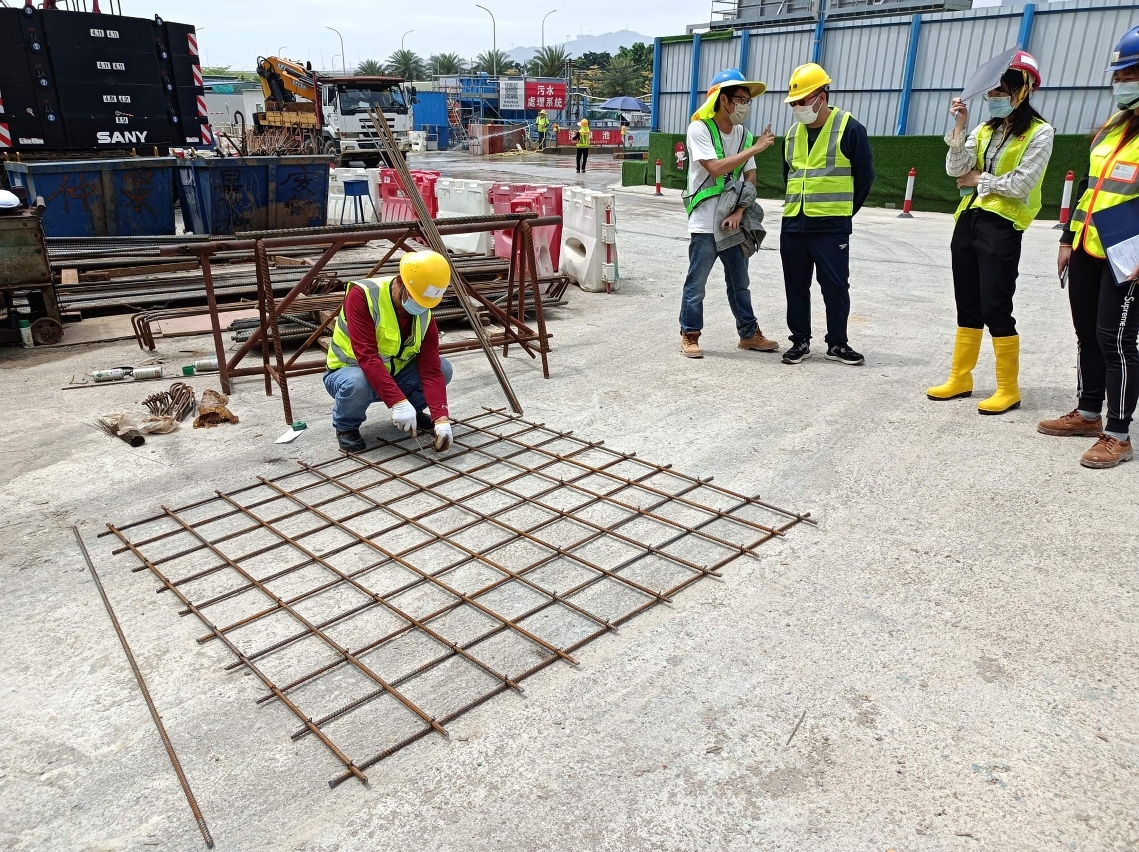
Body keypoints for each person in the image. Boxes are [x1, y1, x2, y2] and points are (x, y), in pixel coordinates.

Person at [928, 51, 1053, 415]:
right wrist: (959, 127)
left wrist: (979, 179)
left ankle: (1008, 388)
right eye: (992, 91)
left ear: (1024, 90)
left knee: (996, 304)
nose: (994, 97)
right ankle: (960, 378)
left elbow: (1021, 183)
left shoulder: (1041, 133)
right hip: (968, 220)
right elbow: (956, 169)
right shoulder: (983, 130)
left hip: (1003, 225)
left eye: (1002, 90)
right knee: (967, 303)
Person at [1039, 25, 1139, 468]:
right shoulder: (1113, 127)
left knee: (1116, 340)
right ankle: (1087, 413)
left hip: (1127, 255)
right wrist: (1068, 238)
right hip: (1088, 247)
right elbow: (1089, 187)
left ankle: (1118, 434)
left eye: (1131, 75)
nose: (1122, 83)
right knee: (1087, 335)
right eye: (1118, 76)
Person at [679, 67, 780, 359]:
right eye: (740, 99)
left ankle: (748, 334)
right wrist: (755, 149)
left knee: (740, 282)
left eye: (748, 100)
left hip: (732, 222)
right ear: (722, 100)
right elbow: (714, 168)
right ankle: (690, 334)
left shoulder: (744, 135)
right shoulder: (699, 129)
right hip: (704, 221)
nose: (745, 106)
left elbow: (751, 178)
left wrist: (739, 211)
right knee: (697, 282)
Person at [779, 63, 875, 366]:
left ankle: (837, 343)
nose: (797, 107)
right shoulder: (792, 134)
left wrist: (844, 211)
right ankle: (800, 341)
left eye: (802, 100)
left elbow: (865, 177)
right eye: (793, 103)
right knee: (796, 286)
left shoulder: (850, 129)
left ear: (822, 97)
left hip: (831, 226)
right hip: (794, 223)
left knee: (835, 287)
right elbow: (789, 176)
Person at [323, 250, 455, 454]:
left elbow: (430, 369)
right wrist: (397, 402)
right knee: (358, 382)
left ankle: (413, 411)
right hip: (348, 372)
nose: (421, 306)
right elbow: (367, 356)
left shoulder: (423, 312)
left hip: (393, 374)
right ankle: (346, 427)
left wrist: (441, 417)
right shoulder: (364, 295)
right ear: (401, 282)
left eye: (426, 302)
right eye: (417, 299)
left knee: (443, 367)